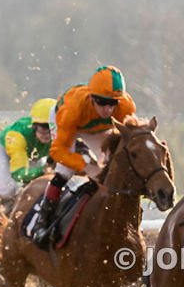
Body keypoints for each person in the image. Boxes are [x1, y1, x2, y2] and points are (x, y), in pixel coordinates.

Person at [32, 66, 136, 246]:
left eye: (113, 104)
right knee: (65, 171)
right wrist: (83, 165)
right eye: (102, 102)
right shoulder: (72, 109)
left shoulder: (126, 107)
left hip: (97, 130)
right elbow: (57, 151)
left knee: (111, 167)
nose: (108, 109)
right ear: (92, 98)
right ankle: (43, 221)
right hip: (66, 124)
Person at [0, 98, 56, 213]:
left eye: (52, 127)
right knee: (8, 188)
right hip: (3, 151)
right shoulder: (17, 136)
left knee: (37, 186)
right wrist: (42, 171)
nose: (48, 134)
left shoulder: (57, 134)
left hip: (30, 154)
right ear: (34, 126)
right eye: (44, 128)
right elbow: (18, 174)